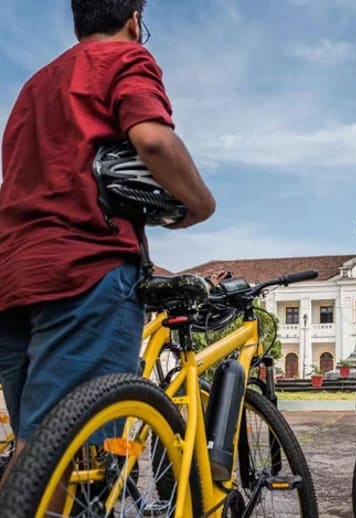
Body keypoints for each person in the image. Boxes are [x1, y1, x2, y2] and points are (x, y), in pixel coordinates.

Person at [0, 0, 215, 483]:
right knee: (61, 462)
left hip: (13, 276)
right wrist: (200, 205)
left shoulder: (34, 87)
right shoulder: (125, 58)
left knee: (35, 452)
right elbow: (154, 140)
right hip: (83, 272)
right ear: (134, 20)